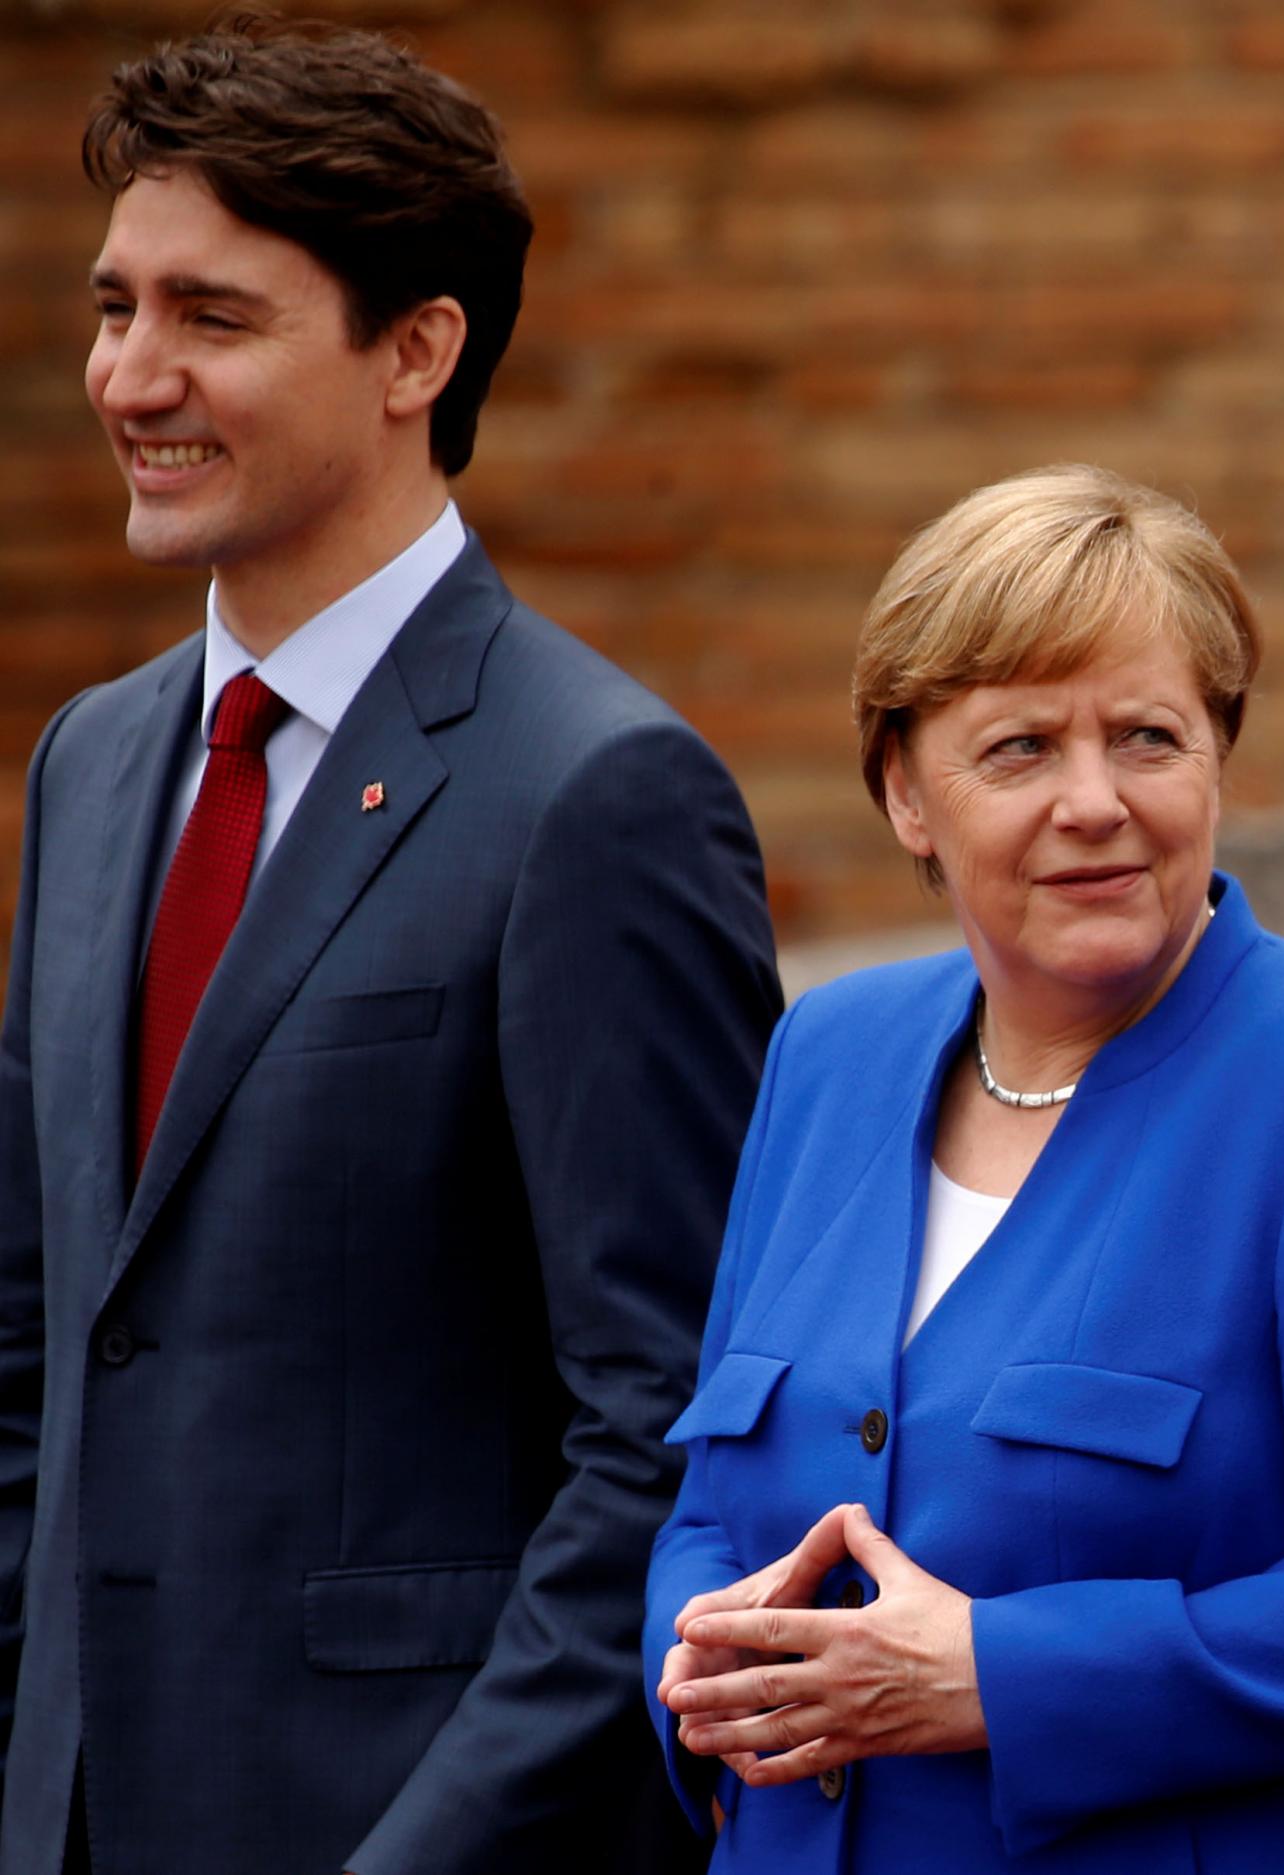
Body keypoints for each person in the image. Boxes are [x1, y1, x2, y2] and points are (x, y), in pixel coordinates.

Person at [0, 22, 782, 1875]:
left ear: (416, 351)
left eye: (213, 316)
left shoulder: (602, 794)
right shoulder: (95, 761)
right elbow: (37, 1349)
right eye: (116, 307)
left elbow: (667, 1431)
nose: (130, 374)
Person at [643, 463, 1284, 1872]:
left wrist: (1001, 1675)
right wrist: (697, 1659)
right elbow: (706, 1502)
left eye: (1148, 738)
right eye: (1019, 750)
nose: (1095, 801)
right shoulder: (829, 1055)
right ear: (905, 795)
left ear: (1219, 762)